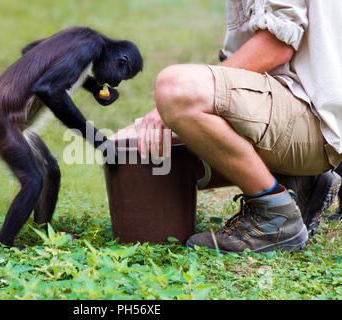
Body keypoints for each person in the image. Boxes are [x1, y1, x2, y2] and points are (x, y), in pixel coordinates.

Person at [137, 0, 342, 253]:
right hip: (315, 117)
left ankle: (276, 218)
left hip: (316, 124)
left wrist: (173, 107)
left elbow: (277, 46)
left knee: (176, 89)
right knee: (196, 94)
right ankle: (300, 182)